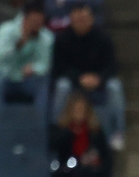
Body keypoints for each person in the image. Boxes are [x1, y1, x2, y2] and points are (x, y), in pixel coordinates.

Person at [51, 1, 124, 150]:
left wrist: (99, 78)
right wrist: (79, 78)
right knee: (61, 86)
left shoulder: (103, 38)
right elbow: (60, 67)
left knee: (115, 87)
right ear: (71, 19)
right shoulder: (63, 39)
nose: (80, 22)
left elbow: (112, 66)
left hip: (98, 82)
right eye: (77, 19)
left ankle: (118, 132)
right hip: (74, 82)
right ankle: (55, 130)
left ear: (91, 19)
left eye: (84, 18)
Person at [0, 0, 53, 116]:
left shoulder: (46, 37)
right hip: (6, 76)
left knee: (44, 83)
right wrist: (20, 43)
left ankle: (38, 123)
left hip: (29, 79)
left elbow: (45, 63)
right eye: (34, 21)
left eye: (39, 22)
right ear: (25, 18)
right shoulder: (5, 30)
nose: (36, 25)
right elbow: (0, 59)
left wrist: (34, 68)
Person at [50, 91, 112, 177]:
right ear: (69, 111)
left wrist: (95, 161)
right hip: (67, 176)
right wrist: (69, 133)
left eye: (82, 109)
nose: (79, 113)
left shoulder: (95, 132)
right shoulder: (60, 130)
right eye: (76, 109)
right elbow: (55, 152)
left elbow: (106, 158)